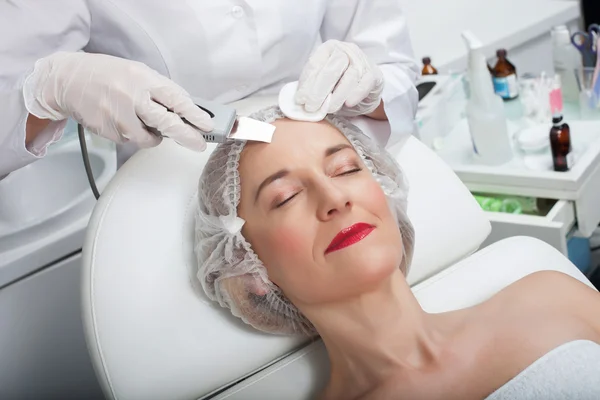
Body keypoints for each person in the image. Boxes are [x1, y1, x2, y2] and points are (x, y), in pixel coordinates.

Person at [194, 106, 600, 400]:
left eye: (346, 169)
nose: (334, 198)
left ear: (387, 192)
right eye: (286, 197)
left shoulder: (547, 296)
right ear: (250, 269)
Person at [0, 1, 419, 177]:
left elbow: (393, 66)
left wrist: (369, 90)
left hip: (325, 160)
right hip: (166, 188)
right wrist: (50, 91)